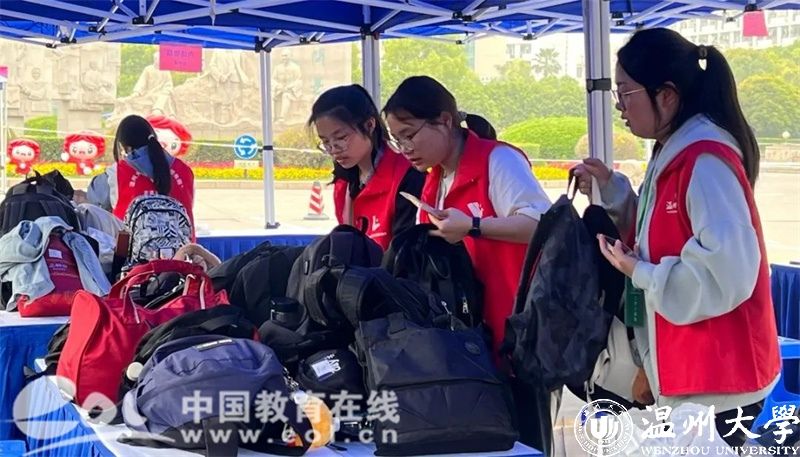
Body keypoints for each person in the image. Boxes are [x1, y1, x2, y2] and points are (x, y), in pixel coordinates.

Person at [572, 28, 779, 447]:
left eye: (625, 93)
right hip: (694, 371)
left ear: (666, 95)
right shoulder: (674, 153)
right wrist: (612, 189)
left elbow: (729, 275)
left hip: (717, 378)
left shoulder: (705, 162)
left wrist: (641, 271)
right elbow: (660, 235)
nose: (620, 107)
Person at [382, 75, 551, 356]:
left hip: (515, 333)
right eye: (397, 140)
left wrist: (474, 226)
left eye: (409, 135)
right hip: (465, 338)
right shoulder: (433, 181)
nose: (405, 149)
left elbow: (541, 225)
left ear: (445, 121)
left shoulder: (499, 160)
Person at [309, 84, 425, 250]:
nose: (334, 149)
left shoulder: (407, 177)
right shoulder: (344, 183)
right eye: (326, 142)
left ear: (370, 125)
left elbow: (404, 254)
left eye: (341, 138)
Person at [87, 115, 195, 228]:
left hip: (131, 239)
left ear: (125, 147)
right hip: (182, 239)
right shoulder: (184, 171)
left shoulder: (117, 173)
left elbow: (94, 201)